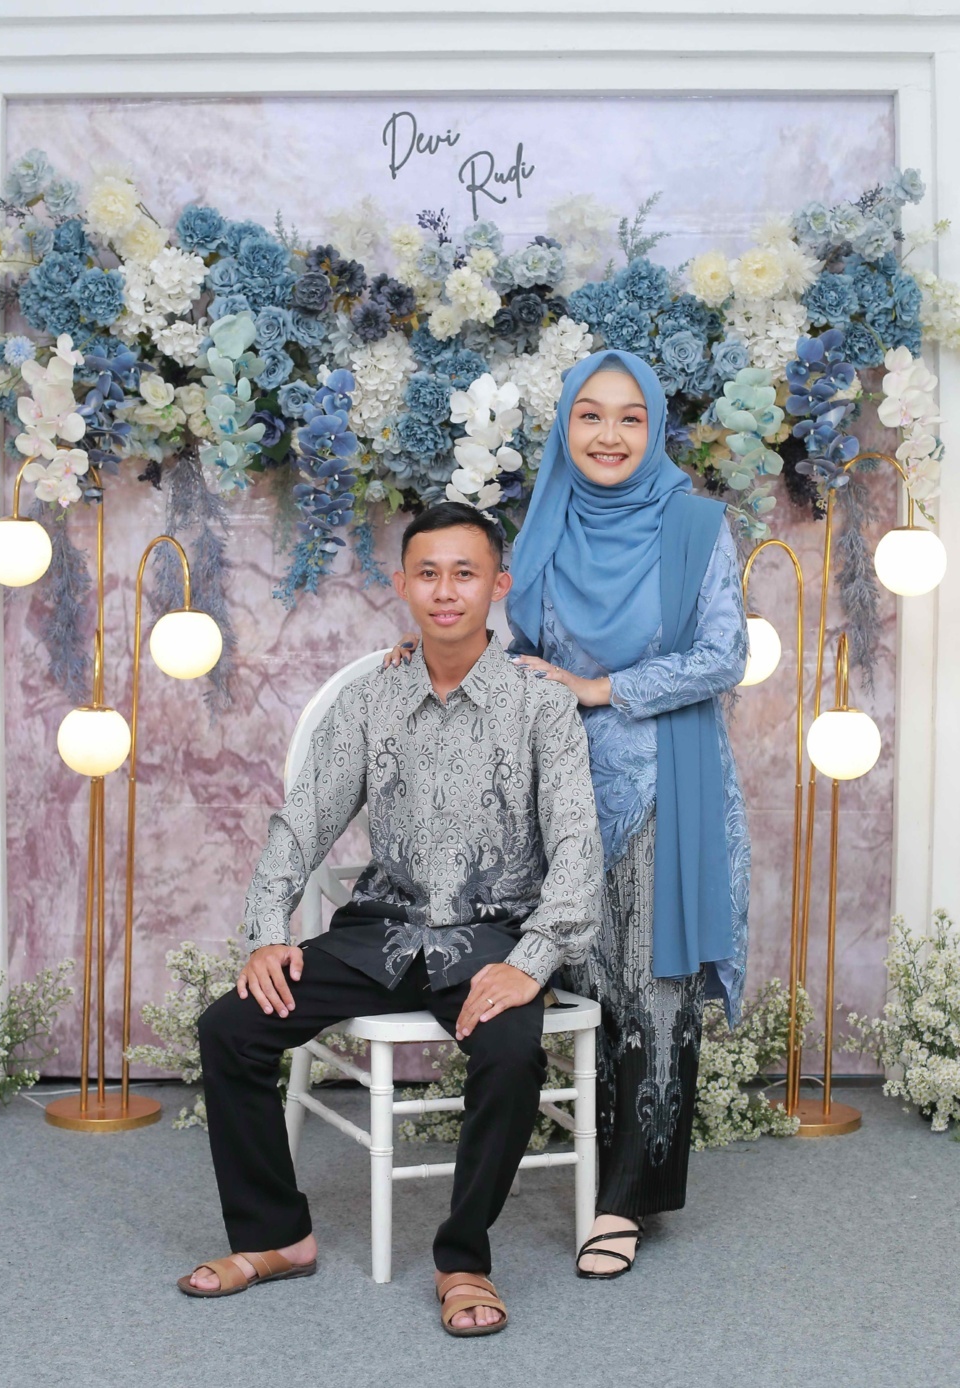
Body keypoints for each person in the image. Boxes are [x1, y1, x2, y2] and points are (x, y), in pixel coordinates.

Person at [181, 502, 604, 1336]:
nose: (446, 592)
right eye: (428, 574)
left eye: (465, 574)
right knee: (230, 1027)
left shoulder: (540, 705)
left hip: (493, 936)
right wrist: (268, 930)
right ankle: (276, 1237)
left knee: (511, 1051)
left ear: (498, 585)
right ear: (405, 585)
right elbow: (302, 822)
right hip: (381, 931)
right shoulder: (371, 698)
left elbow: (577, 845)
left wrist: (533, 961)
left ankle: (464, 1260)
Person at [387, 349, 749, 1279]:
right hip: (555, 781)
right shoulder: (545, 519)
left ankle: (624, 1201)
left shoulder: (698, 525)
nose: (609, 435)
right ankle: (593, 1162)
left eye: (631, 418)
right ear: (565, 427)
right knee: (583, 977)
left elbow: (724, 655)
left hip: (663, 776)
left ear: (655, 428)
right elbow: (515, 647)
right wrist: (424, 648)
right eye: (590, 415)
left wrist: (602, 689)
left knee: (650, 984)